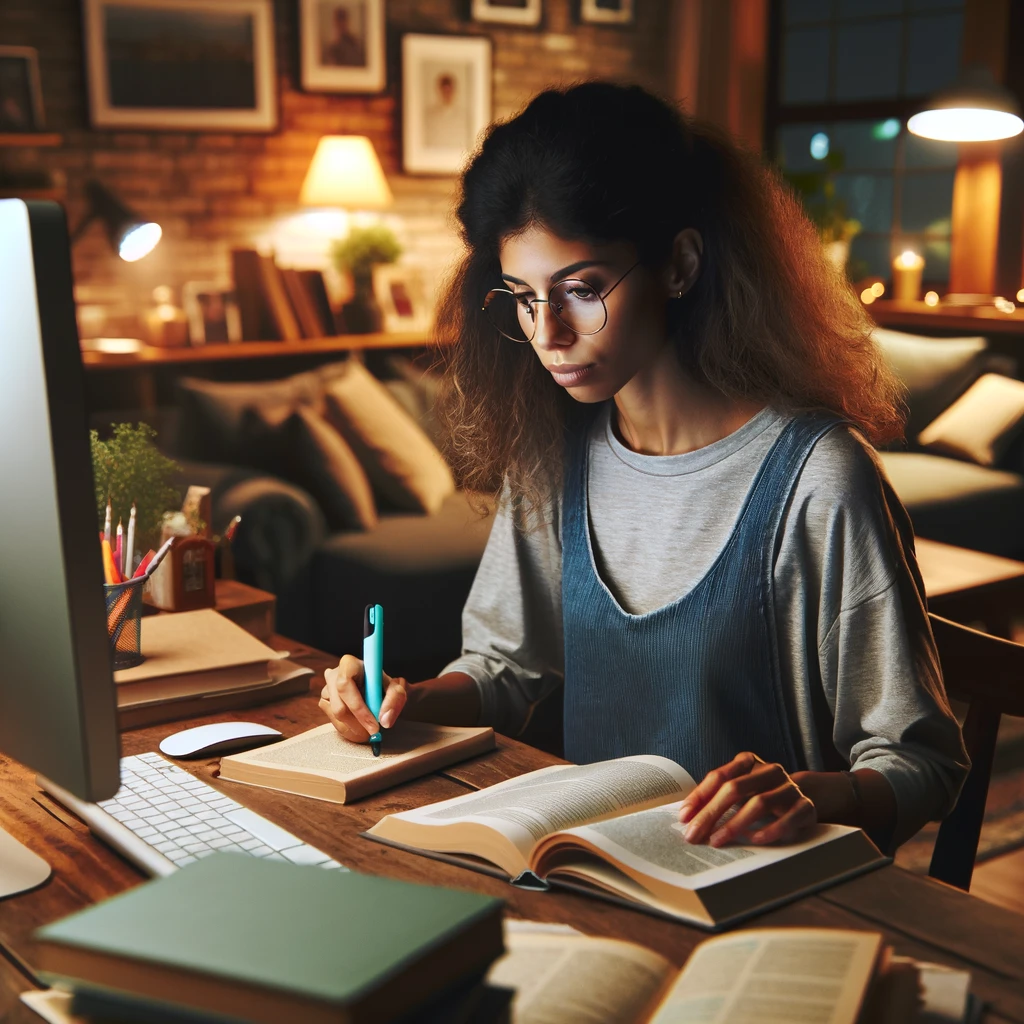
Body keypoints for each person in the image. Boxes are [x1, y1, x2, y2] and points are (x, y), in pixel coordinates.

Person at [320, 82, 968, 852]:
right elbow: (505, 671)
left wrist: (806, 796)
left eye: (582, 290)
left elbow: (923, 762)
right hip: (587, 872)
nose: (548, 333)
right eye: (524, 299)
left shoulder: (818, 479)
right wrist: (400, 698)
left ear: (681, 264)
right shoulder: (552, 459)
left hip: (761, 894)